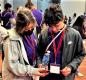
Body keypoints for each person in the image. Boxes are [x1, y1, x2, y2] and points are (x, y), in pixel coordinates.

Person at [37, 4, 85, 80]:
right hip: (47, 76)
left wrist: (71, 67)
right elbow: (38, 52)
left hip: (65, 76)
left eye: (56, 25)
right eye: (50, 26)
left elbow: (80, 54)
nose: (54, 29)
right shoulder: (44, 34)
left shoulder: (74, 35)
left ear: (63, 19)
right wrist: (39, 63)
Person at [2, 7, 48, 80]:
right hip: (15, 77)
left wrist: (38, 63)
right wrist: (32, 70)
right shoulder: (11, 39)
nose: (30, 30)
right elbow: (13, 66)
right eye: (27, 28)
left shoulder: (30, 34)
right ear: (21, 28)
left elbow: (34, 50)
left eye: (32, 27)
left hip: (28, 75)